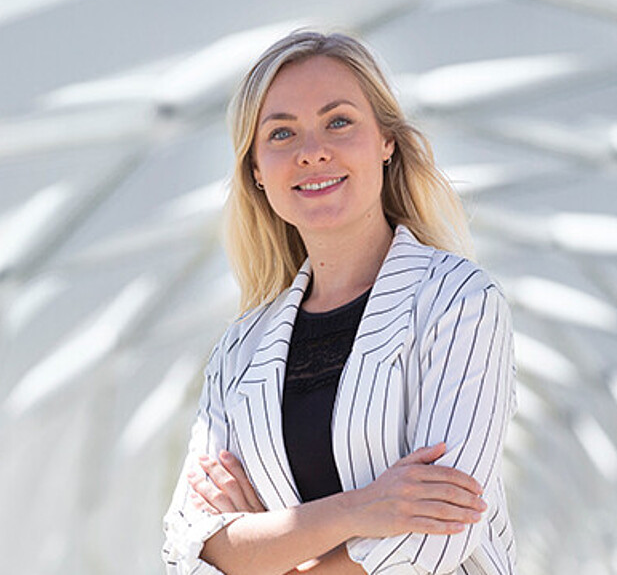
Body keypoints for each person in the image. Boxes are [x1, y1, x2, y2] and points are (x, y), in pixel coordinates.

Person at [161, 30, 519, 575]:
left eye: (338, 121)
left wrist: (268, 555)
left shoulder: (457, 302)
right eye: (281, 133)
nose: (313, 152)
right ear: (257, 171)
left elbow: (439, 532)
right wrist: (361, 509)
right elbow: (190, 553)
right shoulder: (239, 352)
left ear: (386, 141)